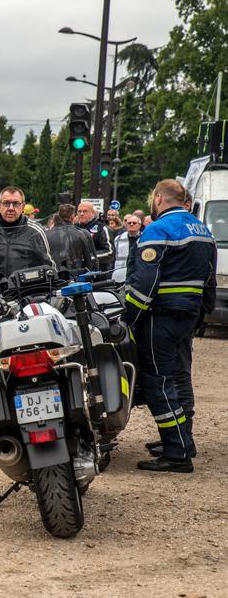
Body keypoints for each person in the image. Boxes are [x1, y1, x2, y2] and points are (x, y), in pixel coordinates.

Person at [124, 180, 217, 474]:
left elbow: (146, 282)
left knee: (157, 383)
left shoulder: (158, 230)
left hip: (160, 317)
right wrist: (201, 316)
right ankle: (182, 440)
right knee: (180, 378)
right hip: (187, 316)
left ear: (159, 199)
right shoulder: (203, 231)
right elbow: (210, 282)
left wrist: (128, 318)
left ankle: (176, 453)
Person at [0, 187, 54, 296]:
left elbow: (48, 267)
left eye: (16, 204)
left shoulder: (35, 231)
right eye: (6, 203)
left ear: (23, 206)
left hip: (24, 297)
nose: (11, 208)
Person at [46, 203, 97, 275]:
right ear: (73, 216)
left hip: (53, 277)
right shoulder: (82, 234)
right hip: (75, 276)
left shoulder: (45, 234)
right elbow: (91, 260)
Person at [76, 201, 113, 270]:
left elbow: (109, 252)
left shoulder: (102, 228)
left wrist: (88, 257)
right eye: (79, 211)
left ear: (93, 213)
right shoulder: (74, 228)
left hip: (97, 271)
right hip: (77, 271)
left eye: (85, 211)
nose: (81, 214)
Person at [112, 213, 142, 284]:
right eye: (129, 223)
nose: (131, 224)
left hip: (138, 274)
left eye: (134, 223)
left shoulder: (145, 238)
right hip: (120, 275)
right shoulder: (118, 239)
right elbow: (113, 258)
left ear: (139, 225)